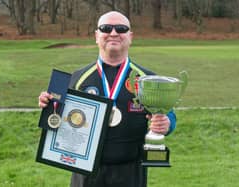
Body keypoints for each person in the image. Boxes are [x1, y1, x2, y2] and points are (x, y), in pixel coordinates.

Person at [38, 11, 176, 187]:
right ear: (97, 36)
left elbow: (169, 114)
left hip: (131, 172)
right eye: (106, 28)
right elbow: (54, 118)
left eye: (121, 28)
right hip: (86, 174)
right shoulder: (76, 77)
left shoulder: (147, 79)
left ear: (130, 36)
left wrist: (167, 123)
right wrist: (48, 104)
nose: (113, 33)